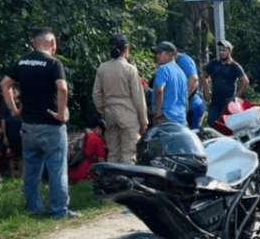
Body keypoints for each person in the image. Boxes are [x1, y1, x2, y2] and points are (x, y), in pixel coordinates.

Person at [0, 27, 78, 219]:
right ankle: (58, 211)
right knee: (57, 169)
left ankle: (34, 208)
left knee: (31, 171)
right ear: (52, 43)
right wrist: (61, 114)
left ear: (34, 42)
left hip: (28, 126)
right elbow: (62, 88)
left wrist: (13, 109)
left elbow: (4, 84)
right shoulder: (53, 63)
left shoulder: (23, 61)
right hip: (51, 126)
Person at [92, 33, 148, 164]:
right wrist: (143, 120)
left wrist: (103, 110)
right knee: (129, 153)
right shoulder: (130, 69)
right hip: (128, 113)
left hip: (110, 113)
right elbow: (138, 97)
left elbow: (96, 94)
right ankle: (127, 182)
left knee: (113, 152)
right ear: (125, 48)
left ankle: (112, 181)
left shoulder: (102, 68)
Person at [201, 40, 249, 126]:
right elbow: (204, 75)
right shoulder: (214, 63)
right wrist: (206, 92)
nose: (221, 52)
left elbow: (245, 81)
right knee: (212, 121)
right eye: (220, 50)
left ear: (230, 51)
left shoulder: (234, 66)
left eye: (224, 50)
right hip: (215, 99)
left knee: (226, 124)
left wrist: (236, 98)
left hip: (228, 101)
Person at [151, 41, 188, 126]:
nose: (156, 56)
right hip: (181, 120)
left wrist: (157, 111)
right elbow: (185, 98)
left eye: (159, 53)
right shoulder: (182, 73)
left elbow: (159, 90)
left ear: (169, 54)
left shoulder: (163, 69)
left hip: (165, 118)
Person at [68, 116, 106, 184]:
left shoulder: (75, 134)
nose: (101, 134)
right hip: (83, 177)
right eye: (101, 131)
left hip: (67, 175)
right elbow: (101, 163)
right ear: (97, 128)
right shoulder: (97, 139)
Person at [174, 46, 205, 130]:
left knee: (193, 136)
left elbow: (193, 80)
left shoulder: (183, 61)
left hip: (193, 107)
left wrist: (184, 99)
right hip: (183, 109)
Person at [0, 84, 23, 178]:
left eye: (14, 91)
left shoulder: (22, 104)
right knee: (10, 155)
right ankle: (12, 176)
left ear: (19, 93)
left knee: (21, 156)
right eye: (11, 91)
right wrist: (4, 135)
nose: (12, 93)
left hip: (21, 132)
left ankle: (21, 175)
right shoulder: (5, 104)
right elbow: (3, 119)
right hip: (10, 132)